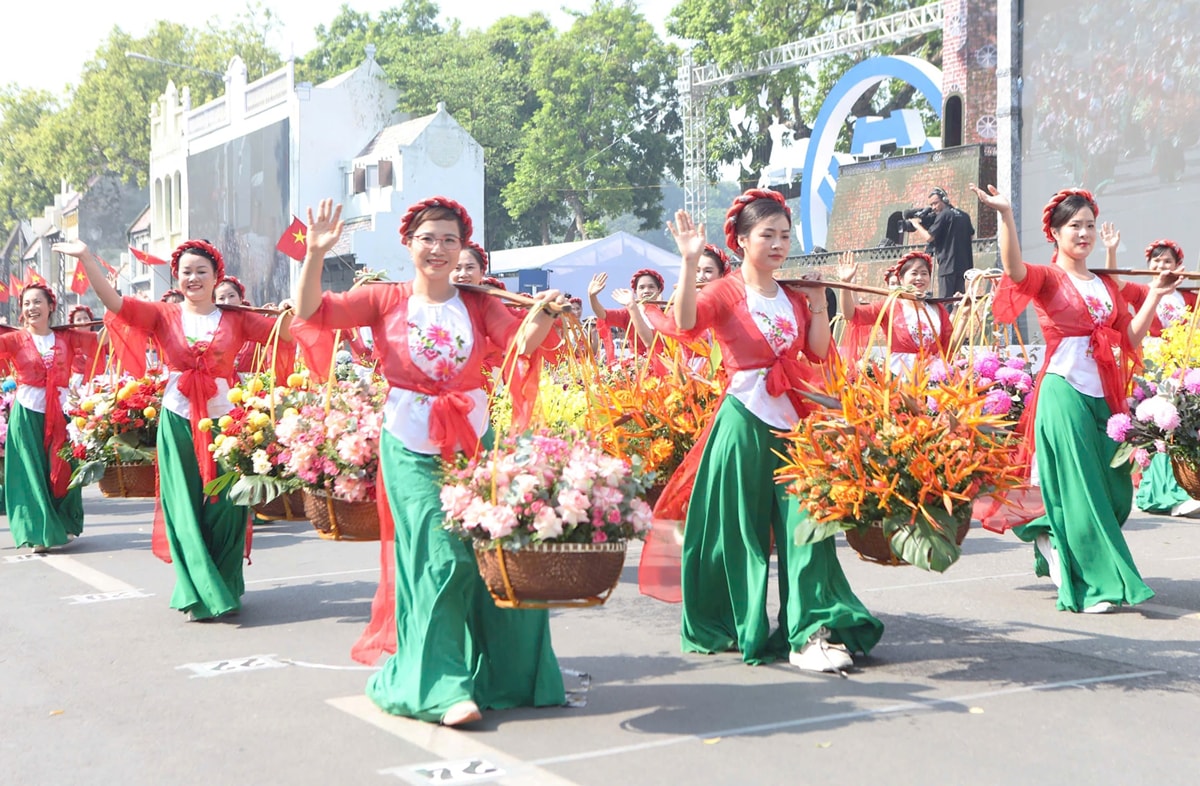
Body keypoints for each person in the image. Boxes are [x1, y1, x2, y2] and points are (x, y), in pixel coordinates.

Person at [292, 196, 566, 727]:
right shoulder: (383, 298)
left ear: (462, 248)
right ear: (409, 244)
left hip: (473, 445)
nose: (438, 249)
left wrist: (545, 312)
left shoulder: (480, 303)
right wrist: (314, 254)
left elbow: (523, 345)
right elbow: (310, 313)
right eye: (427, 239)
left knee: (494, 557)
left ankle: (505, 675)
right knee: (440, 560)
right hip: (409, 447)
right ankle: (439, 688)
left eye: (448, 240)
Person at [655, 189, 883, 672]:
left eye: (785, 234)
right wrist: (689, 261)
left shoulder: (794, 295)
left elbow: (818, 353)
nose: (779, 243)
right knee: (740, 532)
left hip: (793, 423)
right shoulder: (724, 291)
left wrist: (820, 305)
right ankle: (742, 623)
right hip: (742, 421)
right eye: (767, 235)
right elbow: (683, 321)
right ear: (740, 240)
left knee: (810, 523)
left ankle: (810, 632)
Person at [54, 237, 295, 621]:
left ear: (217, 277)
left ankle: (226, 583)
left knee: (228, 505)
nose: (194, 278)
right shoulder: (162, 316)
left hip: (228, 424)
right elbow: (114, 304)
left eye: (202, 271)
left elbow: (288, 334)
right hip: (178, 417)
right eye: (186, 272)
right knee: (181, 505)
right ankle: (199, 589)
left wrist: (288, 312)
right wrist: (86, 257)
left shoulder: (236, 318)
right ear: (176, 277)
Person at [973, 184, 1172, 613]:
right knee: (1083, 491)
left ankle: (1046, 529)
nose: (1084, 234)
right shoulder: (1049, 279)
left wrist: (1155, 293)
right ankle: (1096, 586)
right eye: (1075, 226)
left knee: (1116, 491)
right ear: (1056, 233)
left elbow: (1130, 336)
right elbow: (1013, 268)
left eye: (1090, 226)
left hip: (1104, 393)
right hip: (1062, 391)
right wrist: (1006, 215)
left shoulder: (1103, 283)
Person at [0, 284, 96, 552]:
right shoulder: (14, 340)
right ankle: (39, 532)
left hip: (63, 414)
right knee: (31, 473)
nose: (31, 308)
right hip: (28, 413)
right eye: (26, 303)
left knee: (65, 467)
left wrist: (115, 312)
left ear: (51, 306)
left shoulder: (66, 338)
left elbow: (104, 341)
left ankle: (65, 522)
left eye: (37, 302)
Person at [1111, 237, 1200, 517]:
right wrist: (1112, 249)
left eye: (1168, 262)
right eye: (1157, 261)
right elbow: (1114, 282)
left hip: (1181, 367)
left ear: (1178, 266)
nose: (1161, 266)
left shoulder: (1188, 296)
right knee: (1157, 430)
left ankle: (1183, 487)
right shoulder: (1142, 291)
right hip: (1150, 368)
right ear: (1148, 265)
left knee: (1179, 428)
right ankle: (1157, 492)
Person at [837, 250, 952, 376]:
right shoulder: (888, 306)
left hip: (931, 379)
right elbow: (851, 314)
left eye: (924, 273)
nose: (919, 278)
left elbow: (950, 343)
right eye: (914, 273)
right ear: (901, 279)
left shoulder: (937, 308)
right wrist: (845, 283)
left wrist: (963, 315)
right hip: (898, 378)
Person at [909, 187, 976, 299]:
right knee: (959, 301)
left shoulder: (944, 214)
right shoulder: (964, 215)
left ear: (944, 200)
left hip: (947, 265)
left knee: (946, 302)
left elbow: (929, 237)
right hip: (964, 266)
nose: (933, 208)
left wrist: (916, 224)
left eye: (935, 203)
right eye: (931, 205)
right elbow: (972, 236)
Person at [588, 269, 666, 362]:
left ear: (659, 290)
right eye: (641, 287)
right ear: (635, 292)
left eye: (651, 287)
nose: (646, 291)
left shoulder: (667, 312)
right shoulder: (628, 312)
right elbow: (602, 314)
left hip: (666, 364)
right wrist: (592, 297)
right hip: (638, 367)